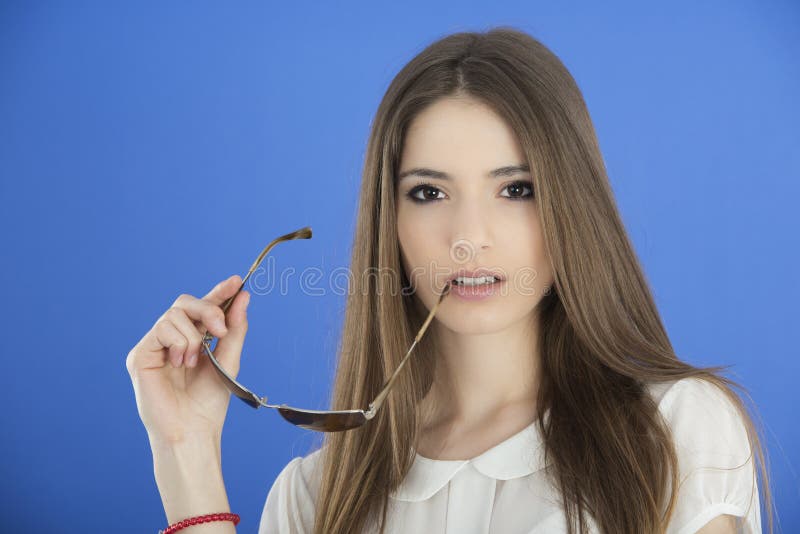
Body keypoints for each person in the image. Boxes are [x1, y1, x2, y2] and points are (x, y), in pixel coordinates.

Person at [126, 27, 773, 534]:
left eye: (515, 189)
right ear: (392, 221)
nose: (468, 236)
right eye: (430, 192)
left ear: (572, 208)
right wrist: (185, 454)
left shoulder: (675, 434)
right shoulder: (311, 499)